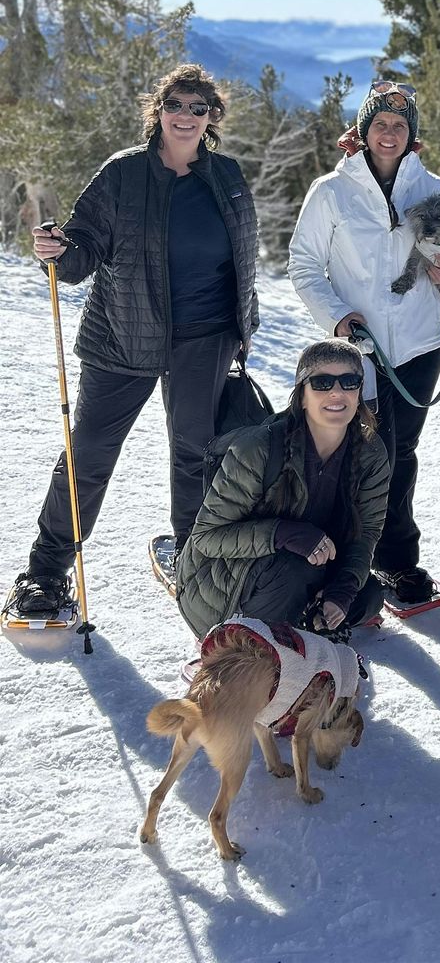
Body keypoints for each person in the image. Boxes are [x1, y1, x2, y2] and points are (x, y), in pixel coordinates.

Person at [8, 64, 259, 621]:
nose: (187, 116)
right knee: (91, 451)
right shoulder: (123, 173)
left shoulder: (227, 175)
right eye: (177, 104)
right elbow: (84, 248)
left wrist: (242, 326)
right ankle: (46, 574)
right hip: (124, 333)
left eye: (199, 108)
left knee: (195, 453)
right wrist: (58, 252)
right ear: (158, 110)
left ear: (211, 117)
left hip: (206, 336)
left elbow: (243, 259)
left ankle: (194, 559)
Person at [289, 83, 440, 609]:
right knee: (356, 454)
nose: (388, 134)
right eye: (379, 125)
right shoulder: (331, 191)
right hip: (356, 350)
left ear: (412, 135)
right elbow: (303, 264)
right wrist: (337, 316)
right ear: (363, 132)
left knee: (400, 453)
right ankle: (338, 561)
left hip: (419, 345)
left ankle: (394, 562)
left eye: (399, 126)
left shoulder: (439, 190)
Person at [177, 340, 389, 638]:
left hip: (311, 564)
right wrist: (283, 533)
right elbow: (206, 538)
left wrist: (342, 589)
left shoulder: (370, 452)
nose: (337, 392)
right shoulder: (257, 449)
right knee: (296, 570)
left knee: (367, 596)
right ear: (302, 396)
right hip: (223, 583)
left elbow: (367, 530)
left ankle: (311, 621)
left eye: (349, 382)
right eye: (322, 382)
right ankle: (259, 636)